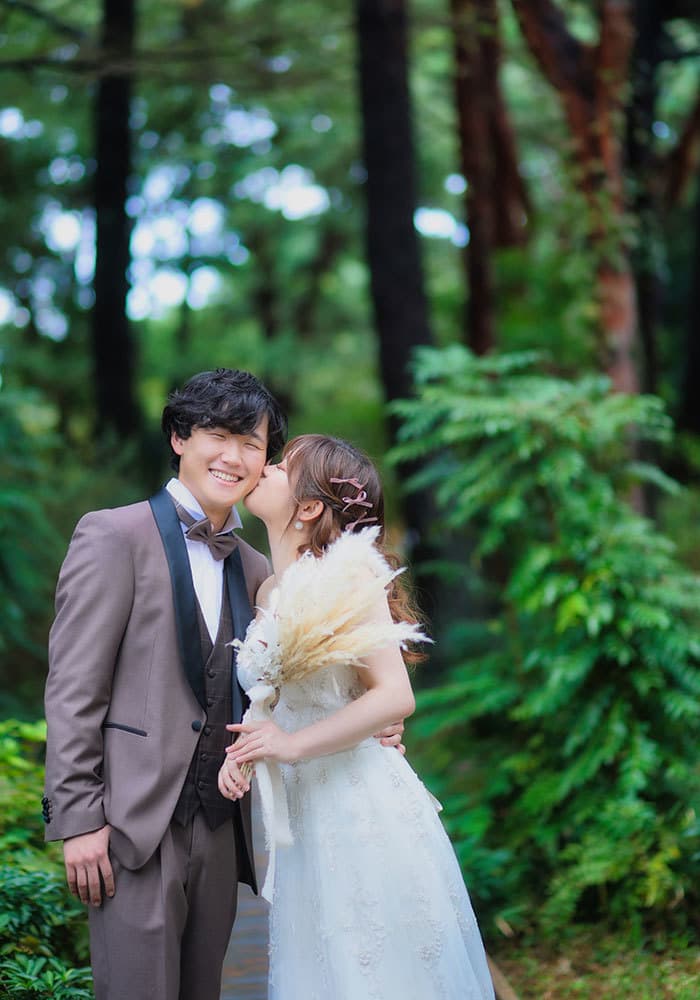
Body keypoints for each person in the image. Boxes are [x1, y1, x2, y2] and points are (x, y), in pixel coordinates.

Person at [219, 434, 495, 1000]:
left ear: (309, 506)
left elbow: (394, 696)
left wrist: (291, 745)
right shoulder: (269, 590)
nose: (265, 467)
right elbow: (276, 701)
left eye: (282, 464)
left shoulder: (346, 577)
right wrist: (247, 752)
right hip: (305, 817)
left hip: (359, 806)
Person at [42, 368, 285, 1000]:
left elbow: (278, 690)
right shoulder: (112, 534)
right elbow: (74, 688)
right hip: (131, 825)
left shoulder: (256, 567)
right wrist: (78, 819)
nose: (233, 457)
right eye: (218, 435)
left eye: (251, 443)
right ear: (180, 437)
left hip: (221, 827)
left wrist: (374, 724)